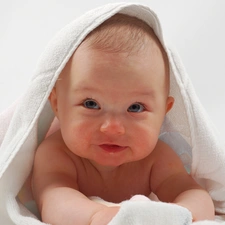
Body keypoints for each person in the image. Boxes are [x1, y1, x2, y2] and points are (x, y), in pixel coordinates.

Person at [31, 13, 215, 224]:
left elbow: (193, 193)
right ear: (57, 105)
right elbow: (54, 201)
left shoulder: (157, 158)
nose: (113, 128)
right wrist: (96, 217)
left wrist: (183, 214)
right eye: (91, 104)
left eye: (135, 108)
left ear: (164, 112)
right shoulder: (56, 154)